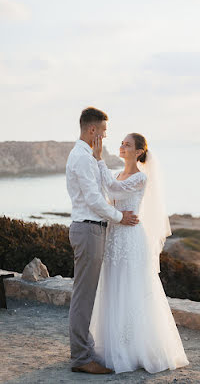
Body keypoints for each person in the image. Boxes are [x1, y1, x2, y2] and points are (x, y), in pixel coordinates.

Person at [90, 132, 189, 373]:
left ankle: (136, 348)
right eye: (122, 143)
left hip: (132, 239)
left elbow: (114, 189)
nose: (122, 147)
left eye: (128, 145)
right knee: (113, 286)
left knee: (132, 288)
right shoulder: (117, 174)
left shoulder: (141, 178)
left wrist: (98, 158)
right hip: (114, 237)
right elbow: (108, 193)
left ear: (138, 152)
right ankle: (112, 345)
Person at [66, 107, 139, 374]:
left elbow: (101, 191)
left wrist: (99, 159)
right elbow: (95, 201)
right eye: (104, 132)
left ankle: (82, 352)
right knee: (83, 297)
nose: (106, 137)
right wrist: (121, 217)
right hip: (88, 229)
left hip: (91, 229)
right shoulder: (82, 158)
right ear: (92, 130)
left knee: (84, 295)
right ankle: (82, 359)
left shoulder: (87, 156)